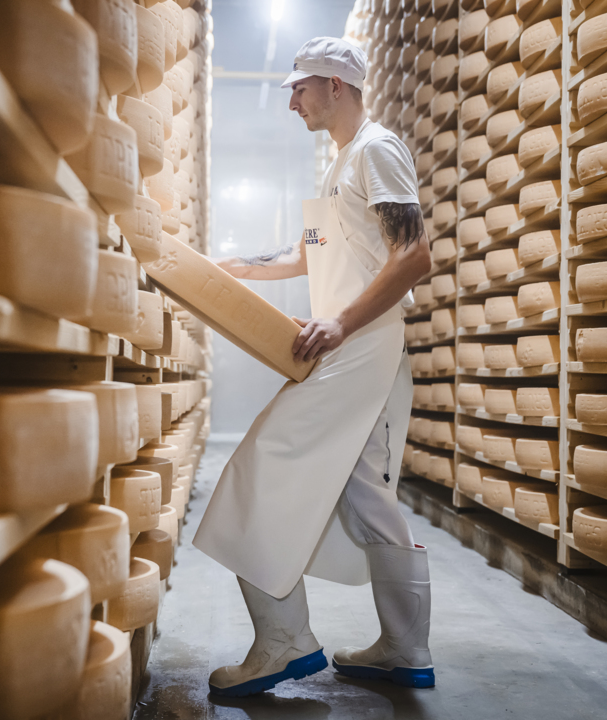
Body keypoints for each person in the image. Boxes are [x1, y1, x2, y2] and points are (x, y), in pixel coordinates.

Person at [192, 36, 436, 696]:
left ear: (336, 86)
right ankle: (405, 648)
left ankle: (284, 642)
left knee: (257, 469)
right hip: (352, 346)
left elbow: (414, 255)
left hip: (358, 348)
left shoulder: (377, 150)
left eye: (300, 87)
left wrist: (341, 322)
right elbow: (306, 254)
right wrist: (226, 268)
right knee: (366, 497)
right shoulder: (340, 164)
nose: (292, 101)